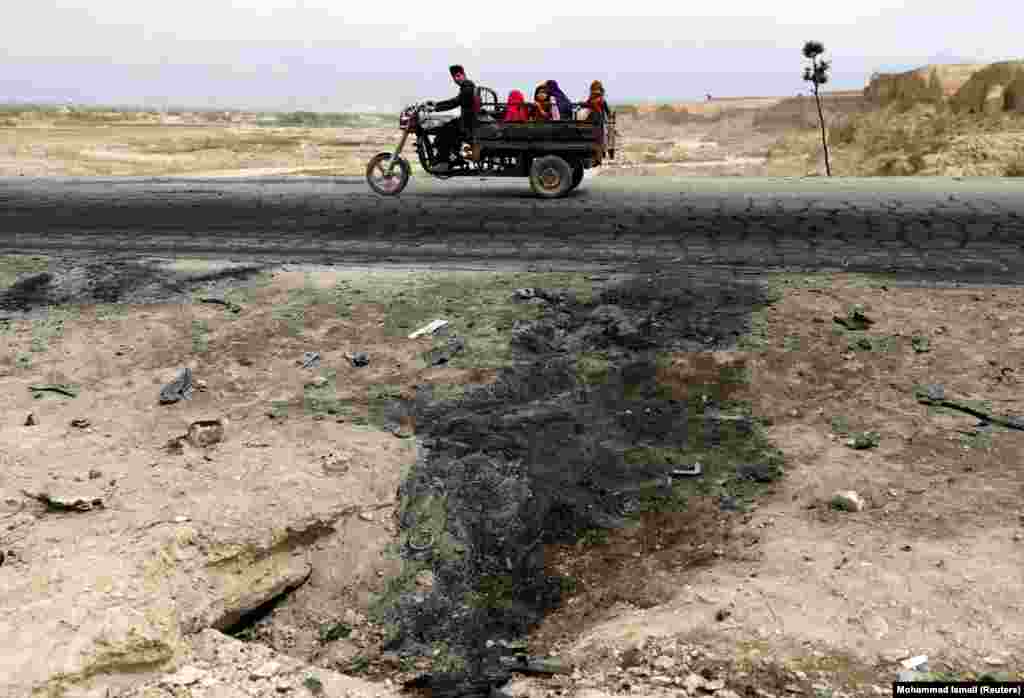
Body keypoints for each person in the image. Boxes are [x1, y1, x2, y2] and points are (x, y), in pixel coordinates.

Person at [424, 64, 477, 173]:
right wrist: (436, 105)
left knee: (444, 131)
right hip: (466, 120)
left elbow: (454, 102)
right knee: (446, 126)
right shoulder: (466, 86)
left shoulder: (468, 87)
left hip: (467, 123)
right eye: (454, 77)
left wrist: (435, 108)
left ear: (463, 75)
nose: (456, 79)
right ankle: (452, 157)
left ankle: (444, 162)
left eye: (458, 76)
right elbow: (455, 100)